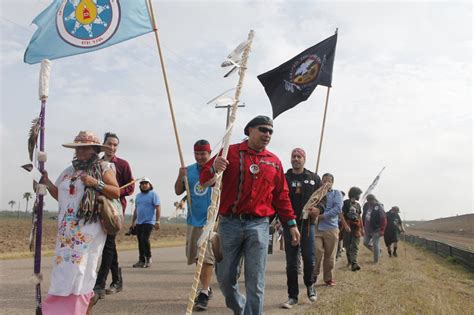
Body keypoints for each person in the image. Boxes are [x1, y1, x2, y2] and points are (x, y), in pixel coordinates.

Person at [200, 115, 301, 315]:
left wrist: (291, 223)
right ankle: (241, 309)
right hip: (229, 224)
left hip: (260, 225)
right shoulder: (229, 152)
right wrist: (213, 167)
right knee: (226, 278)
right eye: (263, 129)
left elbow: (282, 196)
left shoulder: (274, 162)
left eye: (271, 131)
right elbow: (204, 180)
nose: (267, 134)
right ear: (250, 130)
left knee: (255, 280)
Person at [40, 131, 120, 314]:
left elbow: (115, 192)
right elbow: (59, 195)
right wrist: (47, 182)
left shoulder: (104, 167)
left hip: (89, 230)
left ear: (95, 150)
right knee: (62, 269)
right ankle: (57, 310)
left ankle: (80, 308)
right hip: (66, 230)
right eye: (78, 148)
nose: (81, 151)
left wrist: (95, 183)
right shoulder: (69, 170)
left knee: (82, 269)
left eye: (86, 148)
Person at [174, 139, 215, 311]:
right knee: (197, 258)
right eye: (197, 154)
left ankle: (203, 292)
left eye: (203, 153)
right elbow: (177, 191)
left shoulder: (216, 169)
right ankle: (207, 287)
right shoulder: (189, 171)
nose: (199, 157)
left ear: (209, 153)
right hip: (193, 220)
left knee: (207, 257)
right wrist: (180, 175)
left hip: (211, 220)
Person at [94, 132, 134, 299]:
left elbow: (131, 187)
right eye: (109, 144)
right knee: (108, 246)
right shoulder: (95, 163)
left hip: (114, 211)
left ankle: (100, 284)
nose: (112, 147)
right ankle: (117, 279)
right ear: (103, 145)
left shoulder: (123, 164)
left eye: (115, 145)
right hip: (97, 207)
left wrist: (115, 193)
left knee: (109, 243)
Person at [281, 148, 321, 309]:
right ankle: (292, 296)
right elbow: (279, 199)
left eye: (299, 157)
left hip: (307, 226)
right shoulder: (284, 178)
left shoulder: (313, 178)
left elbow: (321, 199)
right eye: (293, 156)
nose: (296, 159)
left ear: (304, 159)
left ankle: (310, 285)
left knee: (309, 259)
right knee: (291, 263)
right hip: (290, 225)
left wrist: (319, 210)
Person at [314, 173, 343, 287]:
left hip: (331, 228)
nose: (326, 183)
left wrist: (323, 216)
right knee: (316, 252)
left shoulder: (337, 193)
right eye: (324, 180)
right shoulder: (316, 193)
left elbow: (337, 209)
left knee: (330, 256)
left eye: (329, 181)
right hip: (316, 228)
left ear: (332, 183)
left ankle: (328, 278)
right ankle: (313, 275)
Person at [131, 178, 161, 268]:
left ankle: (148, 258)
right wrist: (133, 222)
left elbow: (158, 207)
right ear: (140, 186)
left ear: (150, 185)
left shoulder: (153, 194)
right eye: (142, 184)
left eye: (146, 183)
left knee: (144, 238)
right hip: (139, 222)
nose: (144, 185)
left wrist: (157, 221)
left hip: (149, 221)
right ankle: (141, 260)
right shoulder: (138, 196)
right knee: (140, 241)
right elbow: (136, 210)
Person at [340, 187, 364, 271]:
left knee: (355, 246)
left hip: (356, 228)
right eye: (359, 194)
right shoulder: (345, 203)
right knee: (347, 246)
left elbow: (359, 216)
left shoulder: (358, 205)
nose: (359, 196)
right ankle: (350, 261)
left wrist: (362, 228)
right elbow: (341, 215)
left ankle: (354, 263)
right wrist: (345, 225)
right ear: (355, 194)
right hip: (347, 227)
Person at [362, 194, 387, 263]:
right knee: (365, 242)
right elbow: (363, 215)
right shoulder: (366, 205)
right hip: (367, 229)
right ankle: (379, 250)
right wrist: (362, 226)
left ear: (374, 199)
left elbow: (383, 218)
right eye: (368, 201)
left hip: (376, 229)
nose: (370, 202)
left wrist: (382, 230)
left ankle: (376, 261)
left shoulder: (379, 206)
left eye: (371, 201)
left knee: (375, 245)